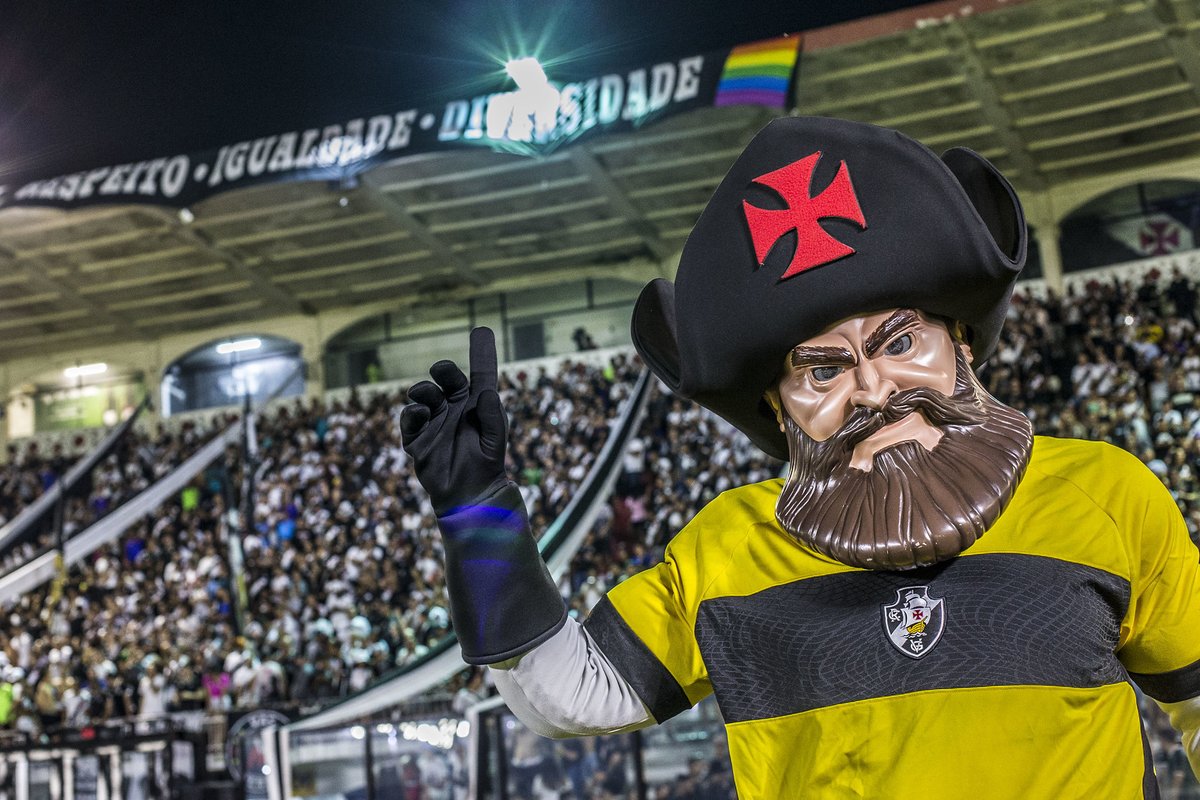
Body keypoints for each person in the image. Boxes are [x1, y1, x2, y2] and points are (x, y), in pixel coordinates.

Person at [400, 117, 1200, 797]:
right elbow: (570, 695)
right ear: (777, 409)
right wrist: (478, 513)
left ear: (959, 342)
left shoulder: (1105, 492)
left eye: (899, 343)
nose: (873, 390)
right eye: (822, 371)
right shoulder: (726, 548)